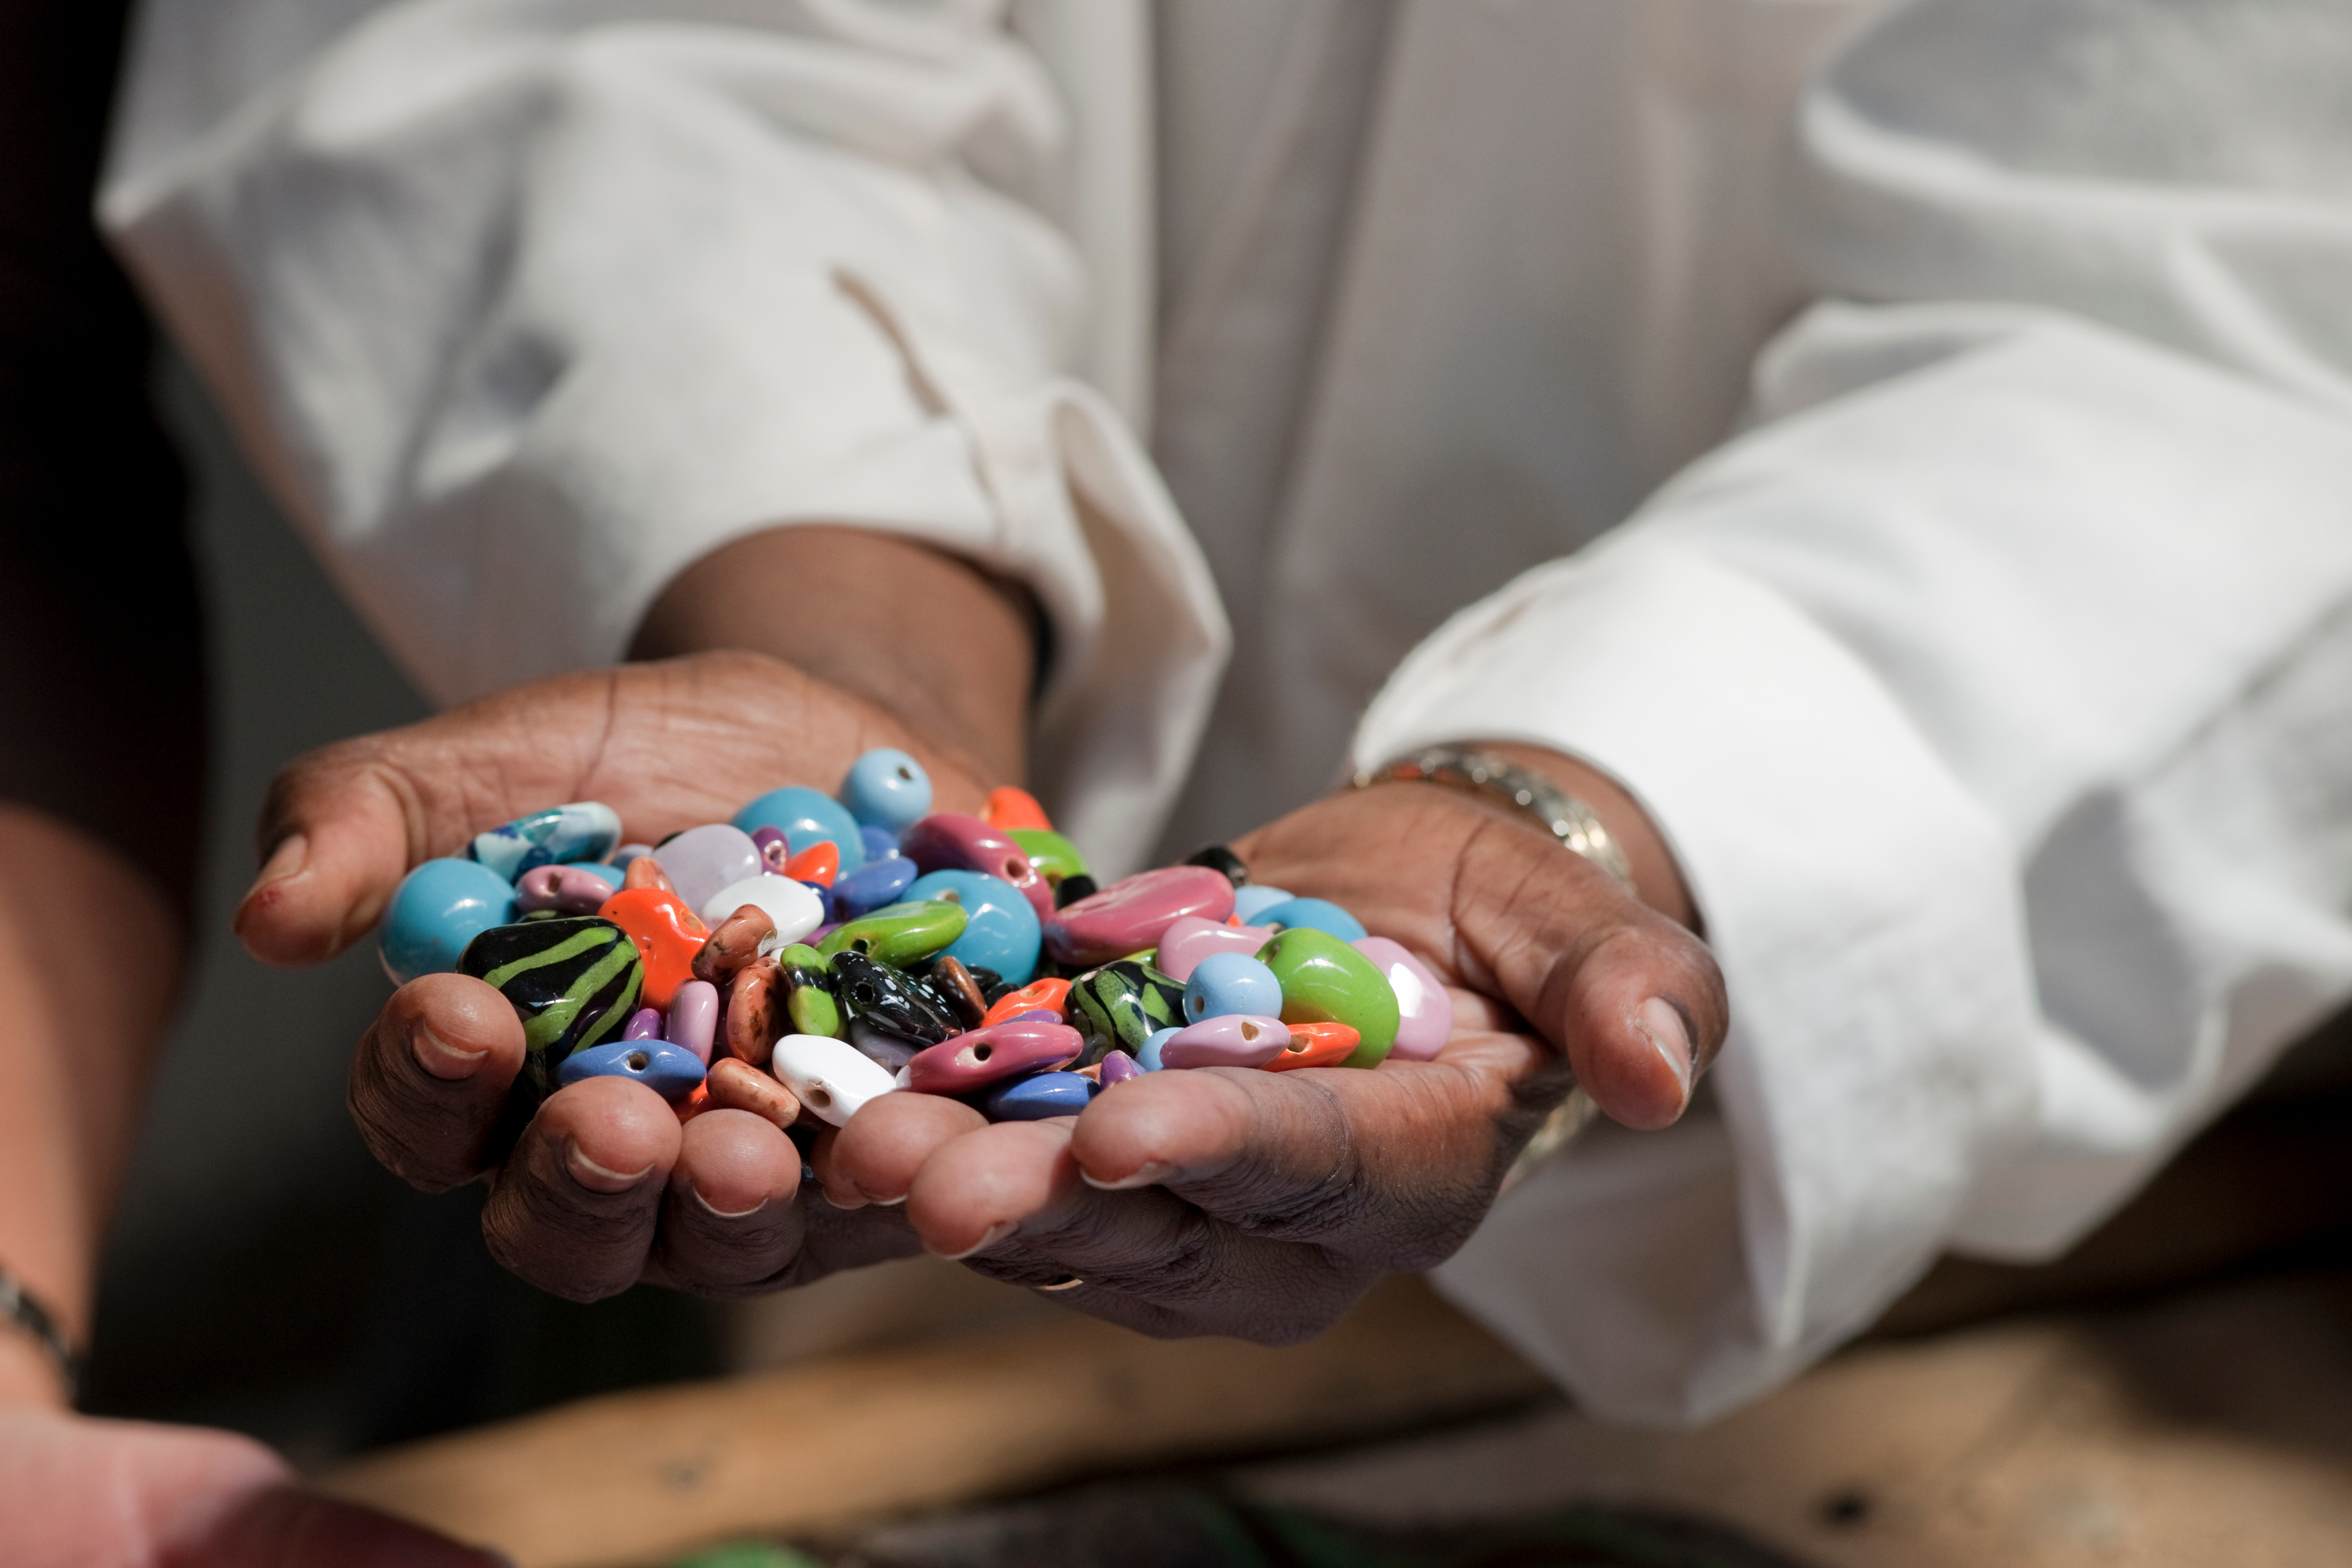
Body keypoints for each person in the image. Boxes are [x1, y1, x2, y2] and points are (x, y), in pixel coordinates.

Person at [12, 0, 2352, 1560]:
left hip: (1976, 1251)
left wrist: (1625, 798)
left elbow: (2243, 296)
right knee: (617, 1214)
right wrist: (839, 604)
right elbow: (587, 36)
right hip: (773, 1282)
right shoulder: (757, 959)